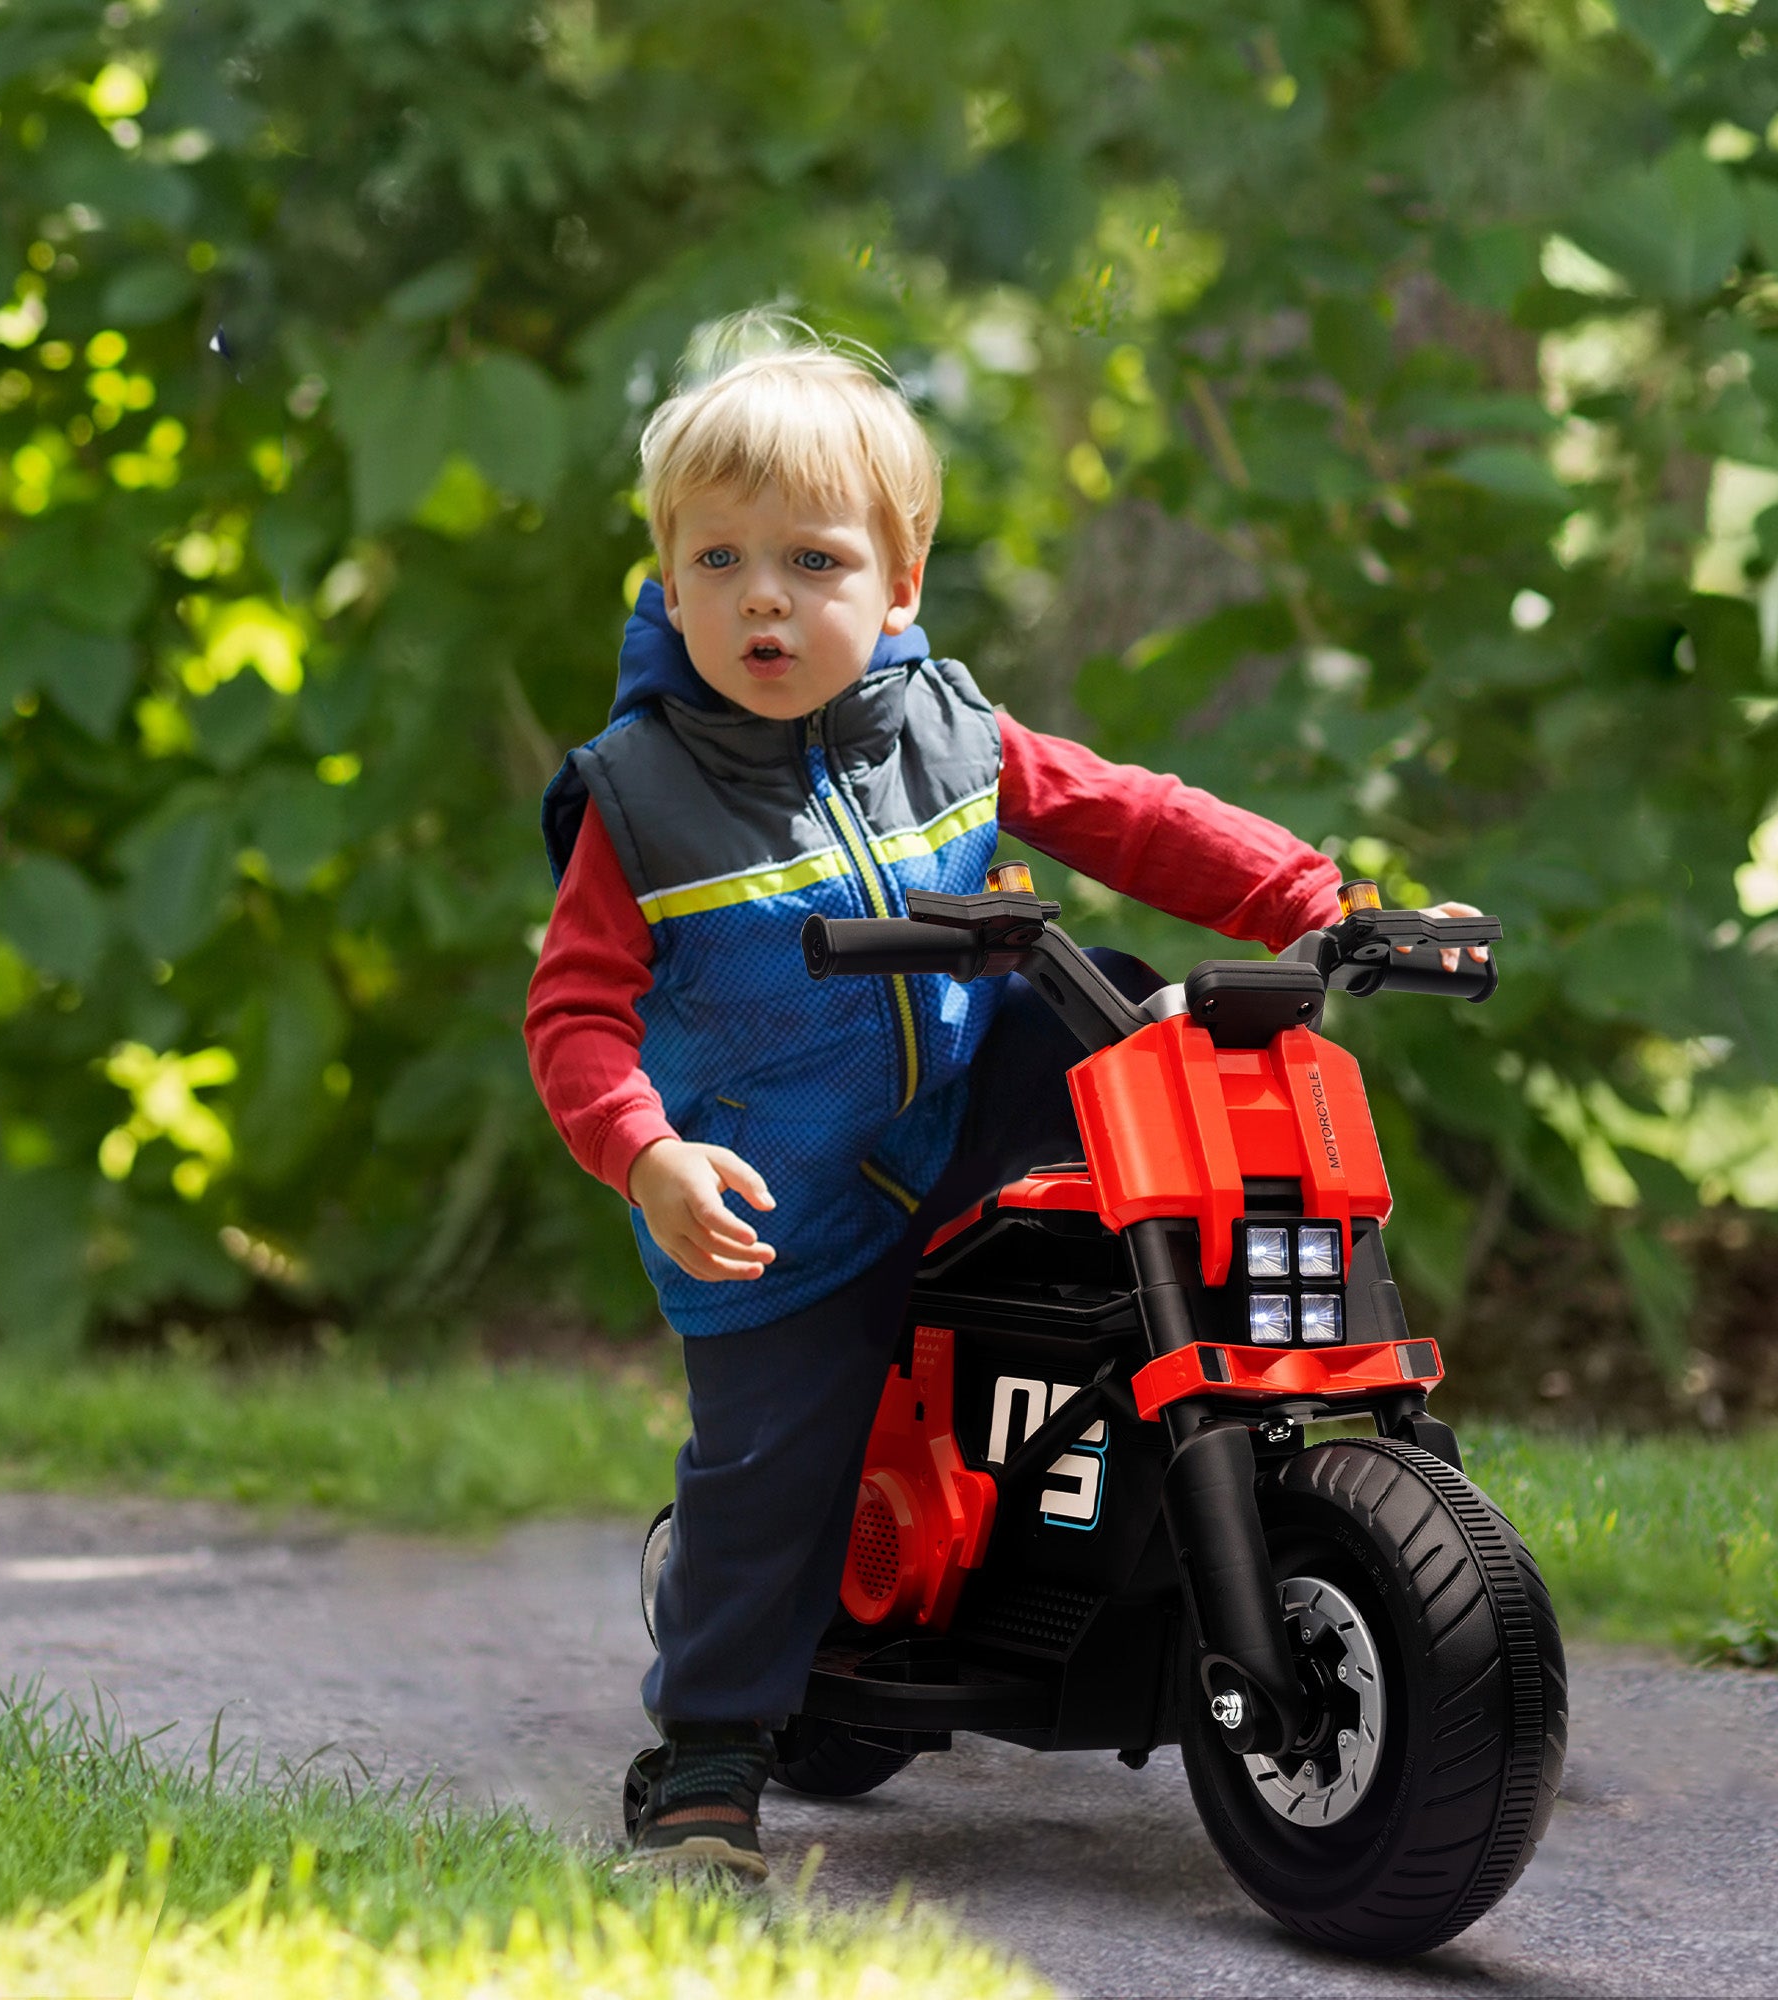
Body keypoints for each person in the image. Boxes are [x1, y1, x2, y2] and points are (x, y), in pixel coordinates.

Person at [525, 316, 1481, 1878]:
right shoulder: (641, 799)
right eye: (717, 562)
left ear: (900, 581)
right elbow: (573, 1016)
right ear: (668, 577)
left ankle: (1342, 1496)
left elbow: (1136, 815)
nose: (763, 596)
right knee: (770, 1468)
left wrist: (1317, 898)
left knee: (1137, 1012)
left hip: (970, 1098)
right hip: (787, 1199)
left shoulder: (952, 728)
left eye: (814, 562)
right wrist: (650, 1157)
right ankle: (702, 1757)